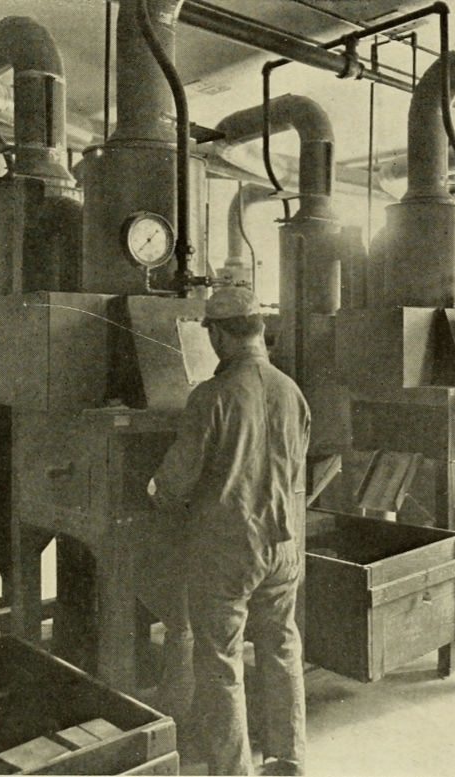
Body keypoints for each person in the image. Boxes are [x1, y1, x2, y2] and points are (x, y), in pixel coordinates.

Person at [148, 285, 311, 776]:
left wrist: (157, 493)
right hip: (283, 544)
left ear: (218, 336)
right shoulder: (292, 391)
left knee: (220, 661)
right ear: (259, 329)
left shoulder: (211, 396)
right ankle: (289, 759)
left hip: (228, 550)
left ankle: (232, 771)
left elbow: (177, 481)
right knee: (282, 648)